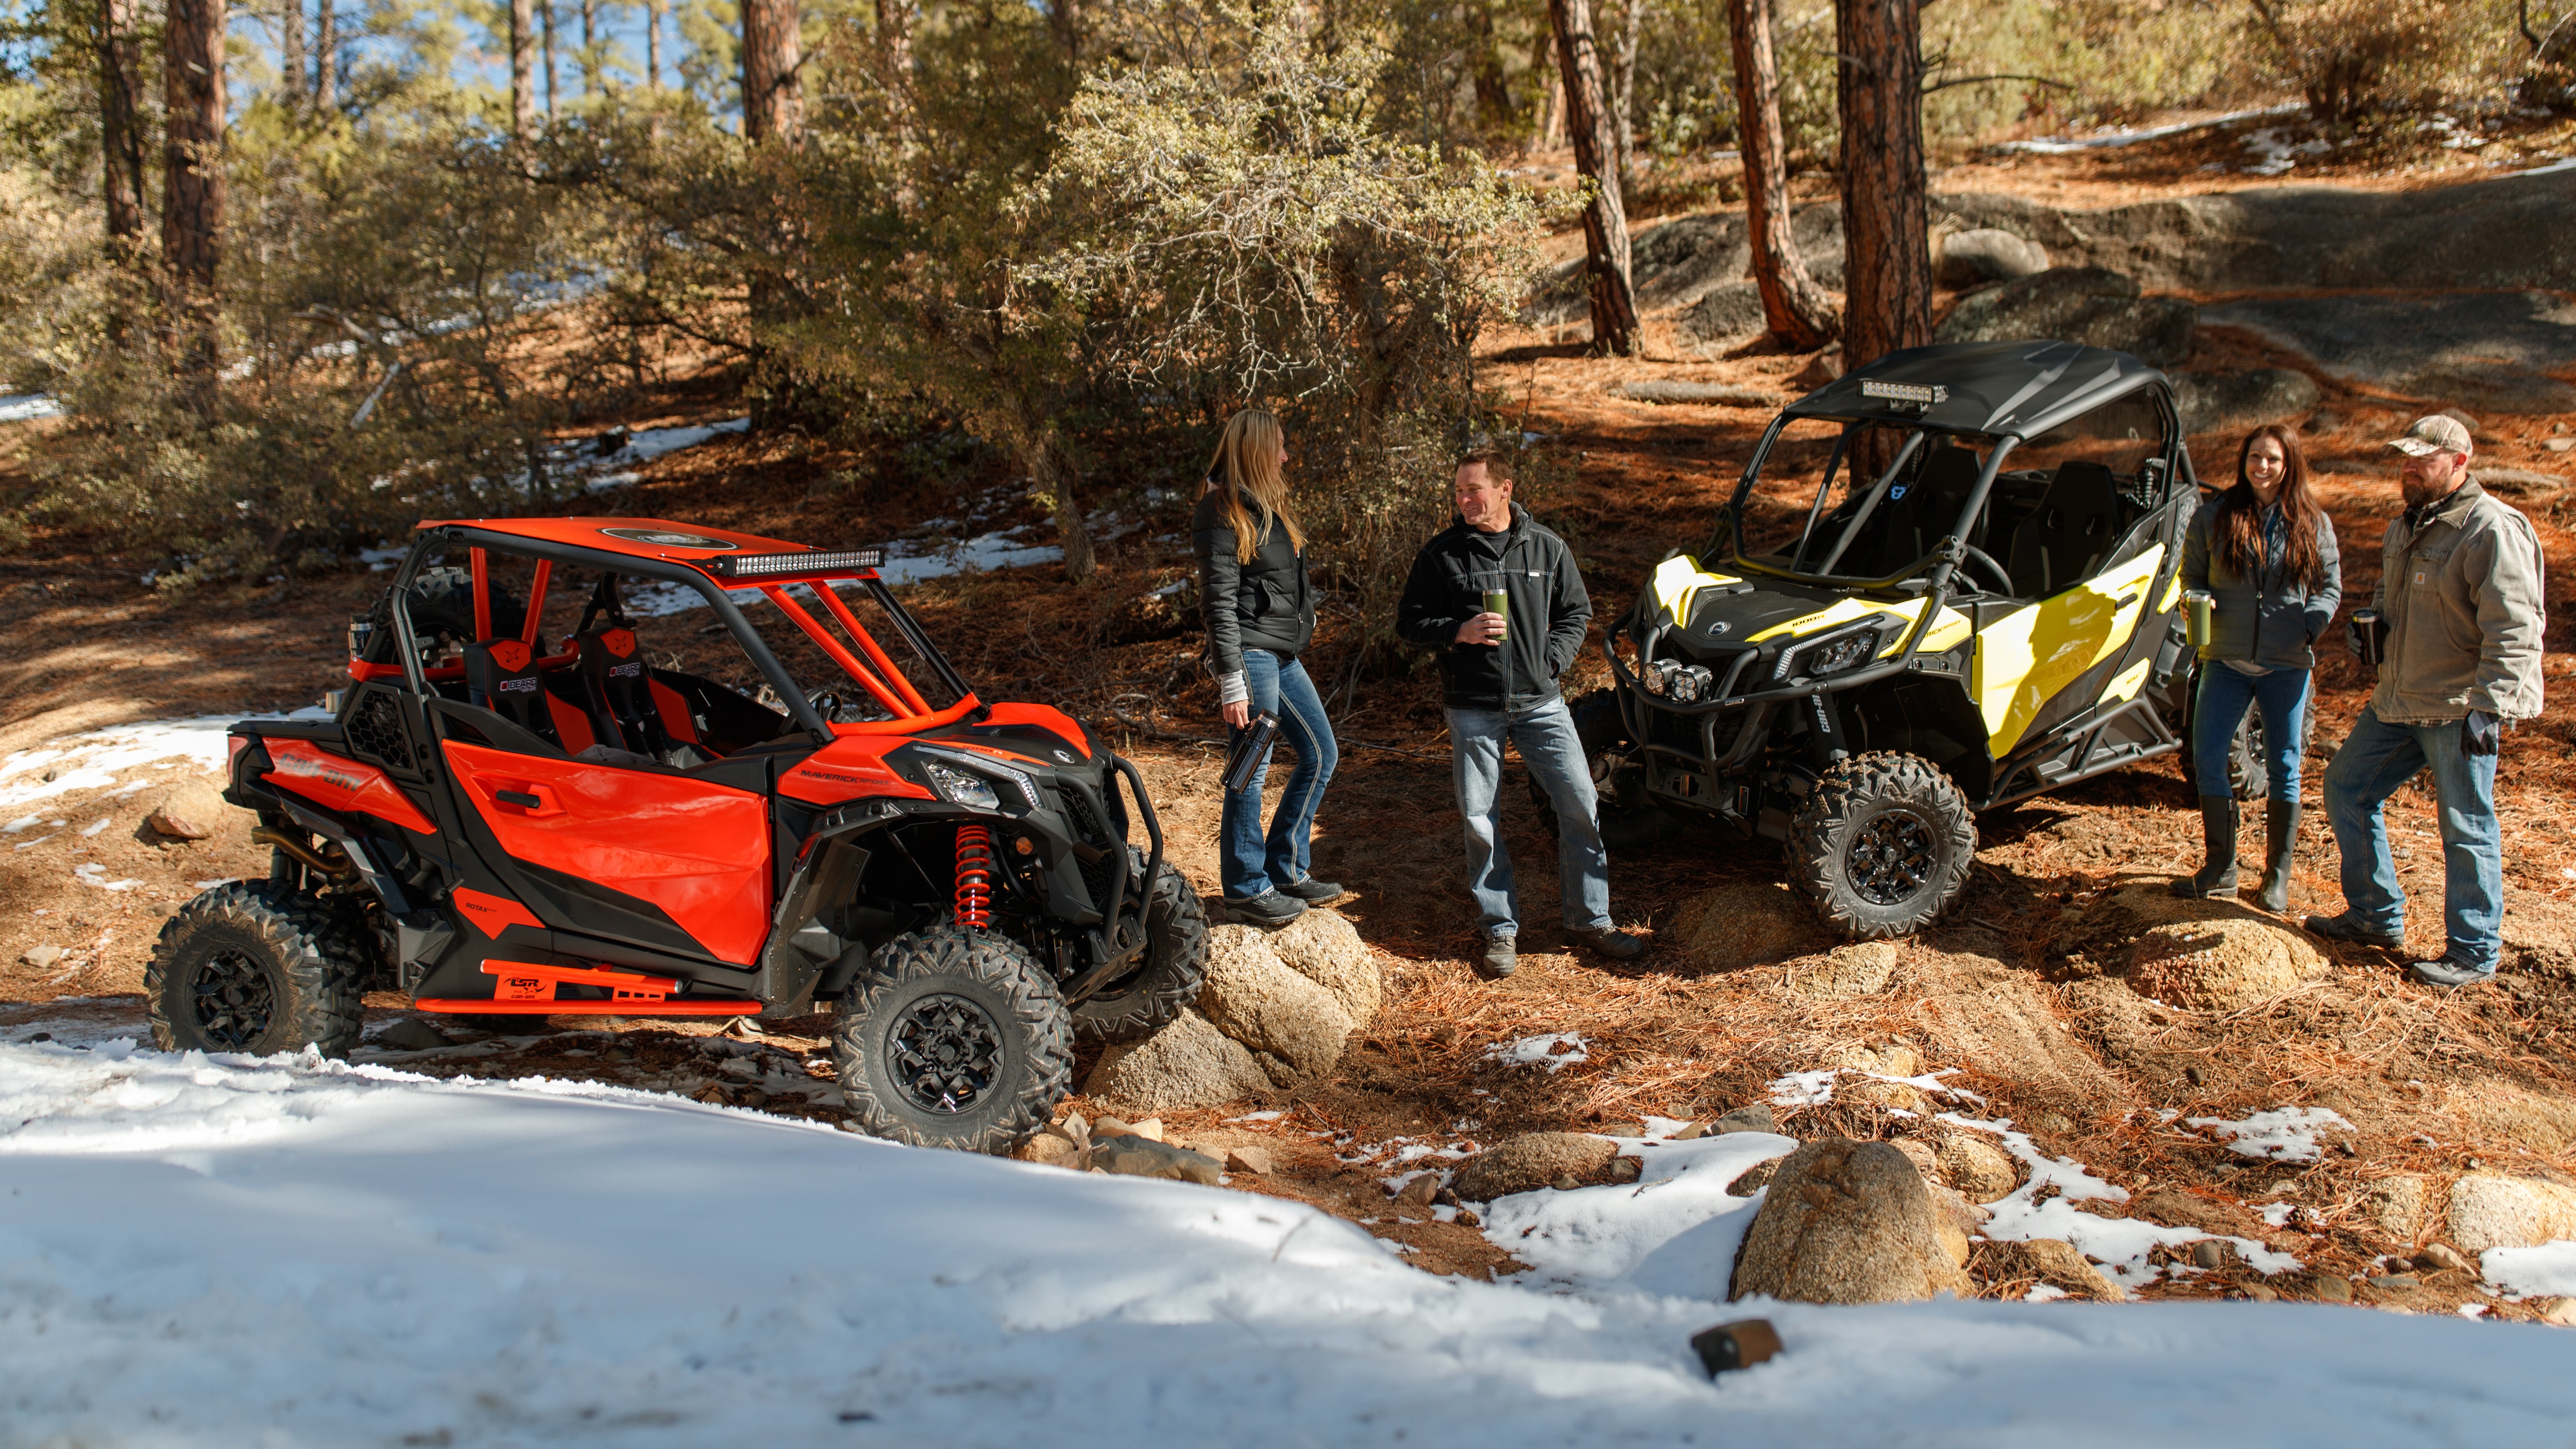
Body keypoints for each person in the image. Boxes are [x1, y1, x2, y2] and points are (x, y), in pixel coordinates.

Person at [2308, 414, 2547, 987]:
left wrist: (2489, 707)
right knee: (2346, 787)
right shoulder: (2402, 527)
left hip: (2457, 707)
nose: (2408, 467)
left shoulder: (2488, 528)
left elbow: (2514, 628)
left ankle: (2472, 951)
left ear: (2459, 463)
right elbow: (2386, 601)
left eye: (2423, 458)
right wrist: (2370, 628)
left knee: (2464, 825)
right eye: (2405, 458)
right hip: (2398, 699)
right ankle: (2374, 915)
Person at [1395, 446, 1641, 978]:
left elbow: (1576, 612)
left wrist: (1548, 661)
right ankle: (1499, 928)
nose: (1463, 500)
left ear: (1505, 489)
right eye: (1458, 491)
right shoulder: (1441, 555)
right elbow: (1409, 622)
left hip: (1541, 705)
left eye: (1473, 490)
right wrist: (1455, 632)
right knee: (1479, 820)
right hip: (1472, 707)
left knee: (1579, 802)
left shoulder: (1547, 548)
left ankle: (1589, 919)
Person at [2171, 424, 2341, 911]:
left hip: (2287, 663)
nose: (2262, 466)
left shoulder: (2311, 521)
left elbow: (2330, 585)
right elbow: (2192, 575)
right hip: (2224, 659)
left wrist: (2314, 622)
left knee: (2285, 767)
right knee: (2208, 759)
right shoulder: (2215, 516)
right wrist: (2193, 601)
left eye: (2273, 459)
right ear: (2243, 461)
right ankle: (2220, 869)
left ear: (2289, 466)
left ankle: (2276, 877)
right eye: (2255, 457)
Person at [1194, 408, 1342, 927]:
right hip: (1250, 656)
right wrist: (1231, 680)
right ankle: (1245, 886)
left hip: (1280, 654)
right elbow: (1218, 603)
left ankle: (1287, 868)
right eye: (1278, 445)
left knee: (1321, 753)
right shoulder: (1221, 511)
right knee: (1249, 771)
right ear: (1257, 449)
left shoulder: (1269, 508)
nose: (1285, 455)